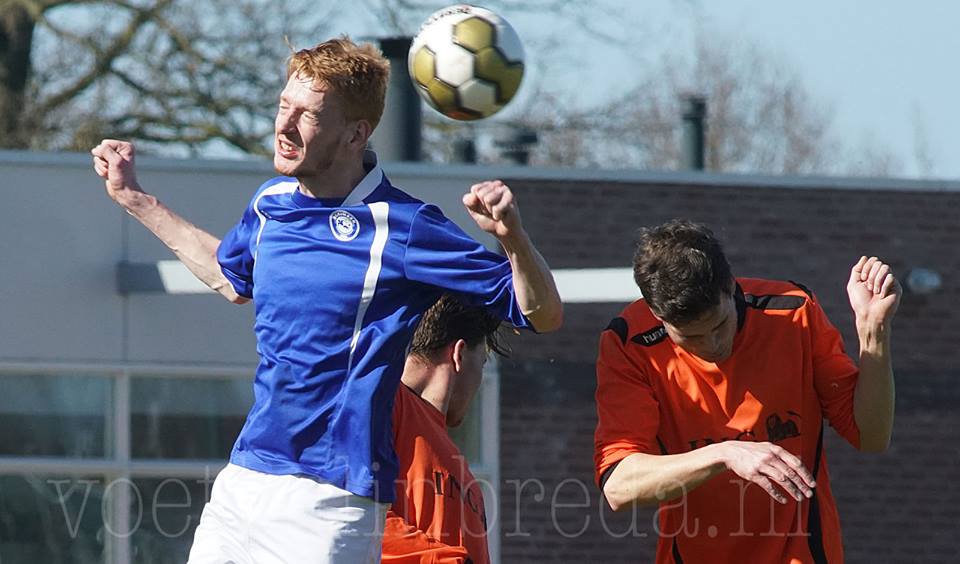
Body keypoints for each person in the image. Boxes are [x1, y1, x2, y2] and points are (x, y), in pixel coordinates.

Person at [91, 37, 562, 563]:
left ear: (355, 133)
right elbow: (231, 278)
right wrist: (136, 199)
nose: (284, 126)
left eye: (308, 115)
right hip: (244, 480)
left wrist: (513, 238)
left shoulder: (402, 226)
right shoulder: (271, 204)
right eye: (282, 106)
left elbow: (541, 312)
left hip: (328, 499)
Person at [594, 220, 900, 563]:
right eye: (691, 338)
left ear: (730, 285)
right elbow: (619, 486)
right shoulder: (629, 343)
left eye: (720, 324)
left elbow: (871, 436)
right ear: (657, 315)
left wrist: (873, 332)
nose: (713, 344)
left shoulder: (793, 311)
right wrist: (725, 455)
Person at [382, 294, 506, 564]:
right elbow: (352, 515)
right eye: (483, 363)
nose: (480, 378)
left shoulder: (464, 474)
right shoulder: (386, 403)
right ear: (459, 354)